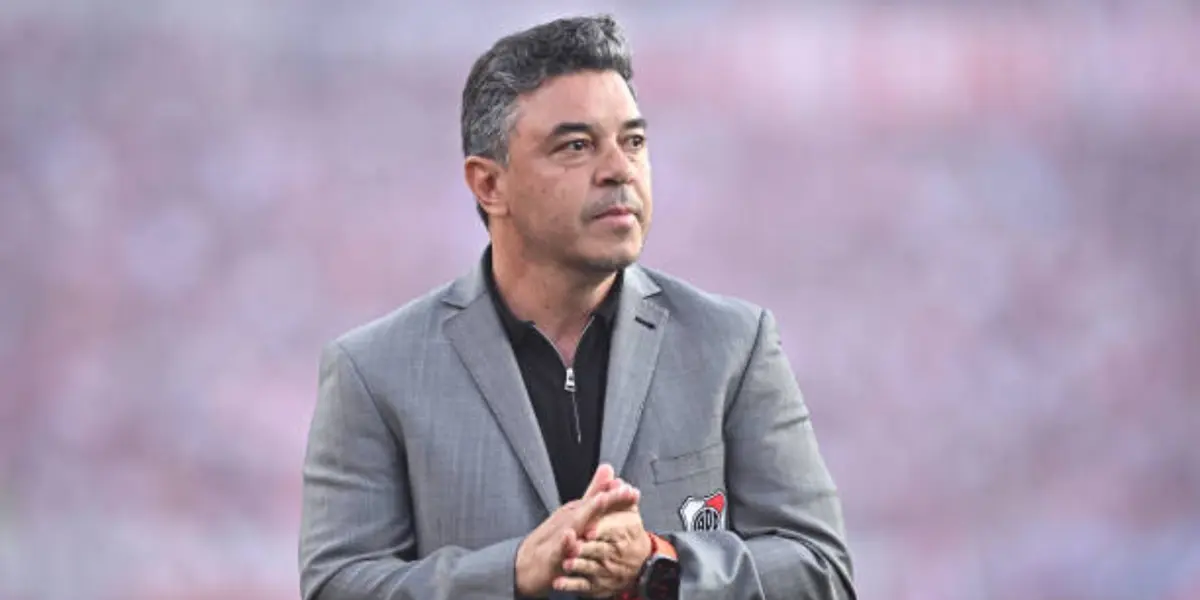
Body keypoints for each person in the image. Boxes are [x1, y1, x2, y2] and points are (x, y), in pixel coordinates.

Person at [299, 14, 855, 600]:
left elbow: (820, 571)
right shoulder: (374, 372)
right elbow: (338, 586)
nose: (619, 169)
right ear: (489, 185)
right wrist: (511, 572)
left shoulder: (733, 346)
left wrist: (659, 561)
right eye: (577, 146)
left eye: (632, 141)